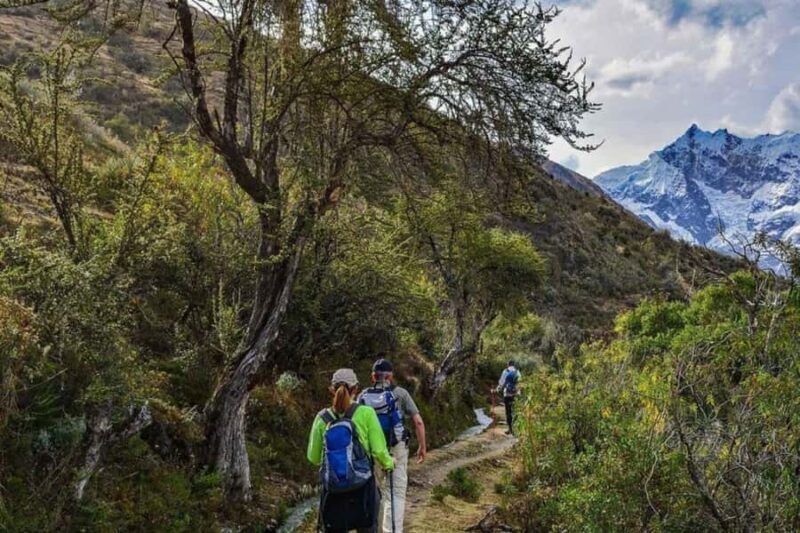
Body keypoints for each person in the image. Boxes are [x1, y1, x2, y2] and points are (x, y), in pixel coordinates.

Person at [307, 368, 395, 533]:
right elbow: (379, 450)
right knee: (368, 526)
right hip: (363, 488)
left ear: (332, 390)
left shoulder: (322, 418)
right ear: (356, 389)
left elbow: (313, 457)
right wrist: (390, 463)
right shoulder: (367, 413)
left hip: (333, 491)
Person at [358, 358, 427, 533]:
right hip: (397, 448)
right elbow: (418, 421)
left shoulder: (363, 396)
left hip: (373, 451)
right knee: (395, 493)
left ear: (373, 376)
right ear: (390, 376)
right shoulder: (401, 393)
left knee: (374, 492)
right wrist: (422, 446)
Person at [497, 360, 521, 435]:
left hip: (507, 394)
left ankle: (510, 429)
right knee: (516, 411)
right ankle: (517, 429)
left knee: (508, 412)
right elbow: (520, 383)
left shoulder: (505, 371)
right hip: (516, 394)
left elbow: (501, 383)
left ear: (508, 364)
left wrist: (498, 389)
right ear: (514, 365)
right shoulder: (517, 372)